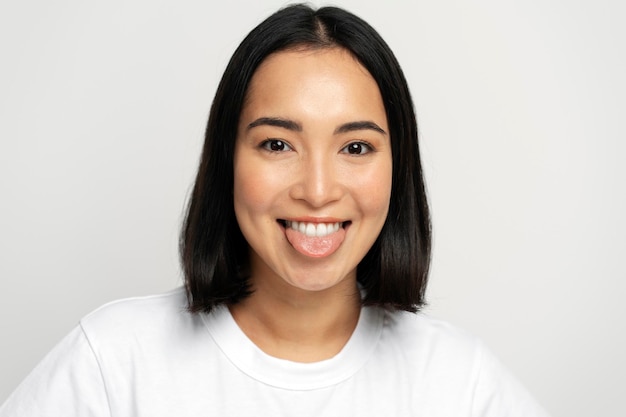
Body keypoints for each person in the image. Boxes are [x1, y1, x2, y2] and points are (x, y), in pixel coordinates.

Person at [0, 4, 550, 416]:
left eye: (355, 147)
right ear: (226, 160)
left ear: (397, 169)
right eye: (277, 144)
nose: (316, 190)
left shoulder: (461, 385)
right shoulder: (114, 364)